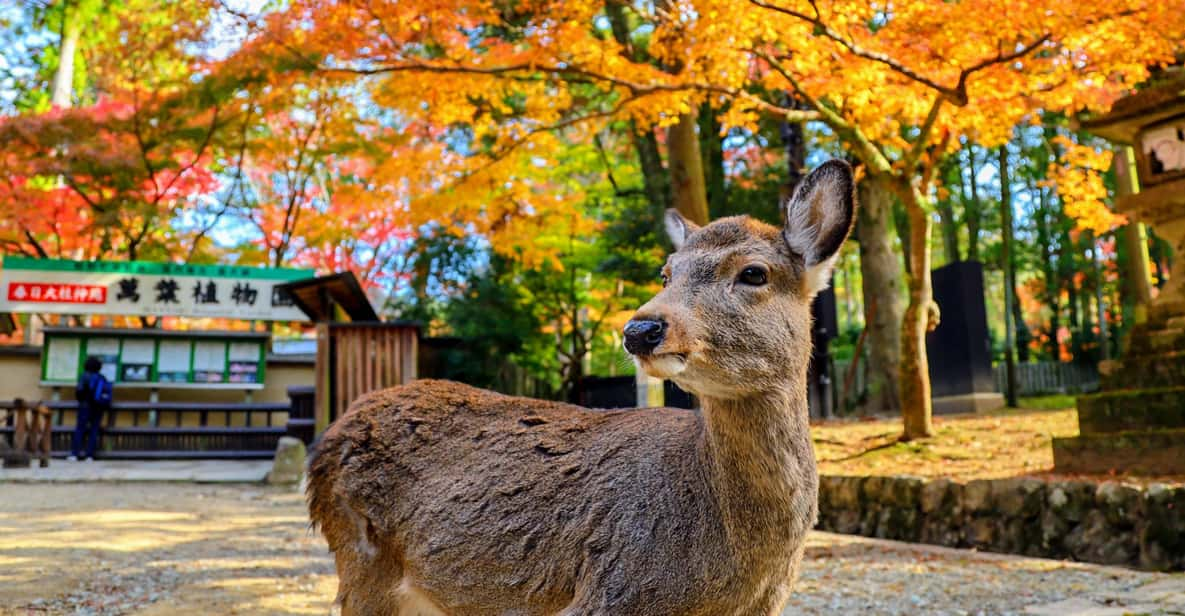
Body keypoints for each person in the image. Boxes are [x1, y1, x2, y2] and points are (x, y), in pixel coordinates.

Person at [69, 357, 112, 461]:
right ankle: (90, 455)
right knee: (94, 430)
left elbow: (79, 392)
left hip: (85, 406)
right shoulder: (102, 377)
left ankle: (74, 454)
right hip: (98, 407)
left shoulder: (84, 376)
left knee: (80, 429)